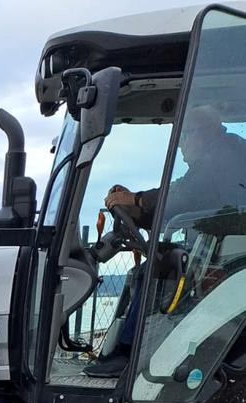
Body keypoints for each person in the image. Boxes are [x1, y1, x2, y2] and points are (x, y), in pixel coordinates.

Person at [85, 105, 246, 378]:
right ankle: (128, 350)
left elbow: (185, 194)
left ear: (204, 133)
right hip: (216, 248)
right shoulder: (221, 155)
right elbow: (179, 201)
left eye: (185, 136)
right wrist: (137, 204)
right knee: (141, 272)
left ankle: (127, 355)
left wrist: (137, 200)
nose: (182, 145)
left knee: (153, 271)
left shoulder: (223, 156)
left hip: (224, 256)